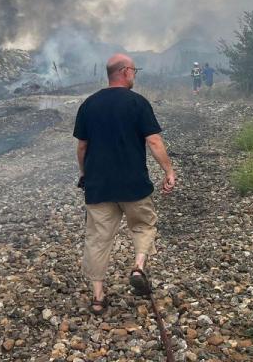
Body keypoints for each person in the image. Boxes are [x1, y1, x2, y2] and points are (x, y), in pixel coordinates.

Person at [73, 53, 176, 316]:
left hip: (99, 186)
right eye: (135, 71)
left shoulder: (89, 105)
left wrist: (85, 174)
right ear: (126, 71)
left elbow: (82, 146)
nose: (135, 75)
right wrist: (169, 171)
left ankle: (97, 298)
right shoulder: (138, 103)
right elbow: (154, 142)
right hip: (133, 185)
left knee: (97, 239)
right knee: (143, 225)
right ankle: (138, 266)